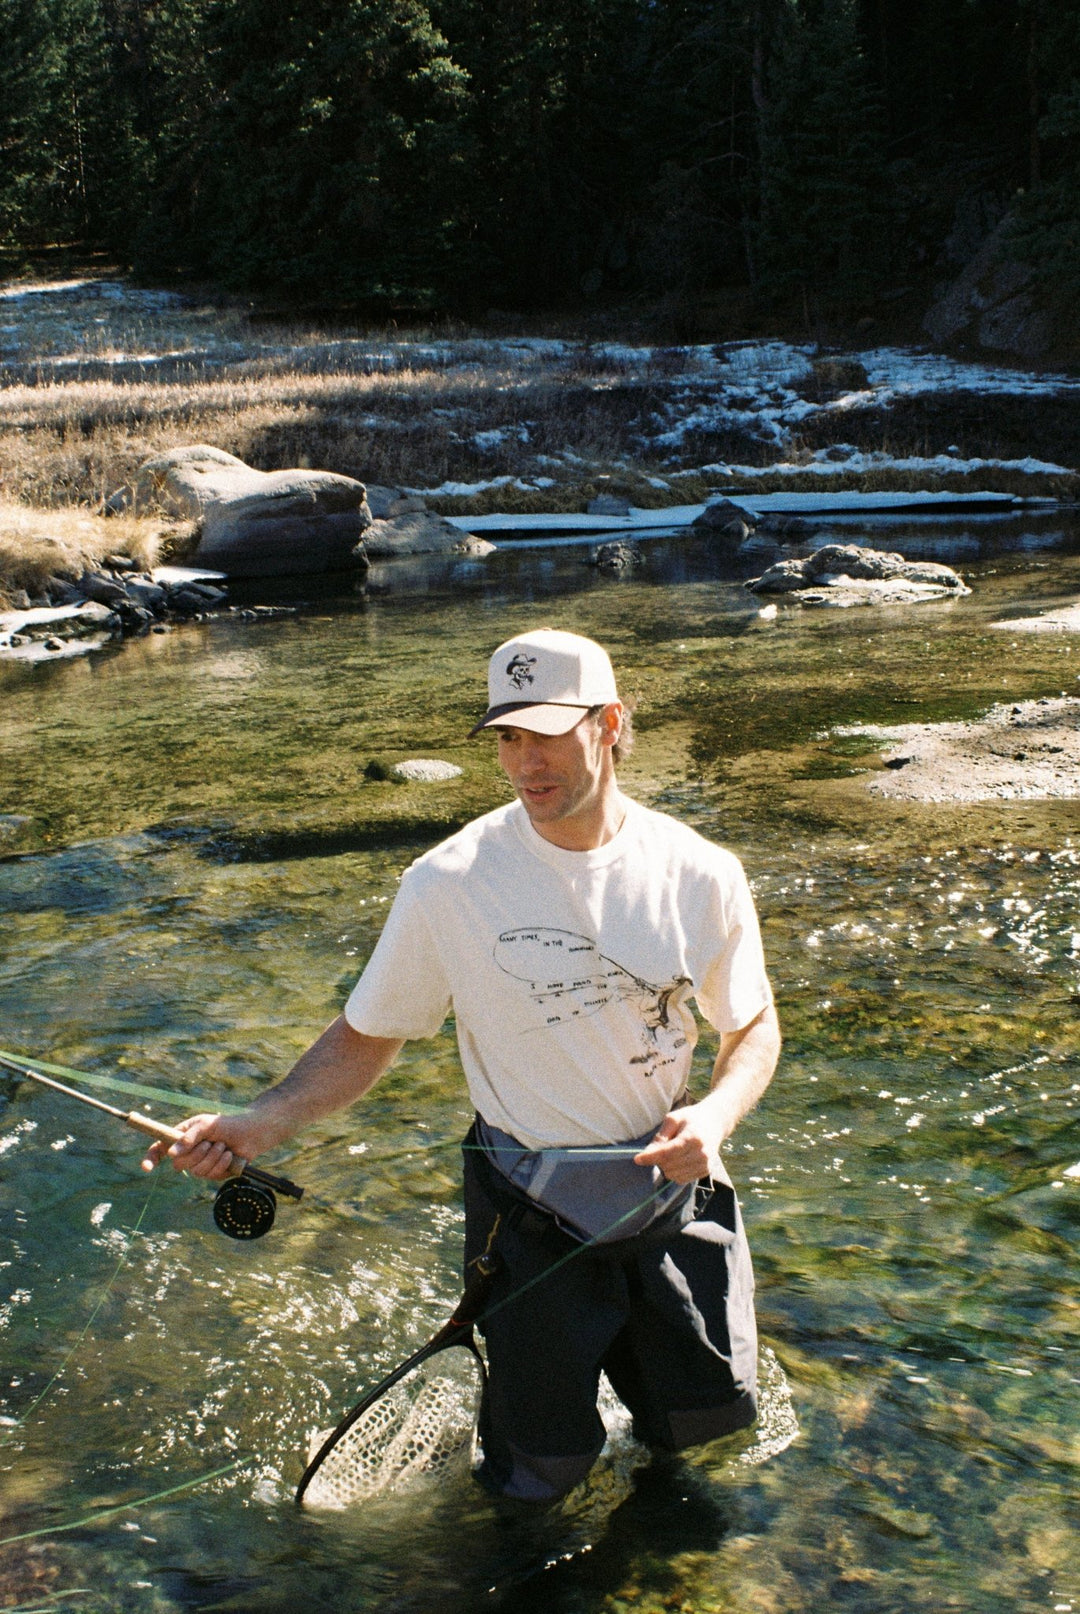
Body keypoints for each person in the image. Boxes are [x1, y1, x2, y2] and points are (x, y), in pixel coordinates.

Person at [146, 628, 780, 1503]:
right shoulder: (447, 882)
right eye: (507, 737)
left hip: (674, 1195)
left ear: (609, 724)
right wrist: (263, 1122)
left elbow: (752, 1026)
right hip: (530, 1212)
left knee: (707, 1420)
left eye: (546, 734)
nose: (524, 762)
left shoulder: (700, 873)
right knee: (540, 1474)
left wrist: (714, 1117)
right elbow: (371, 1034)